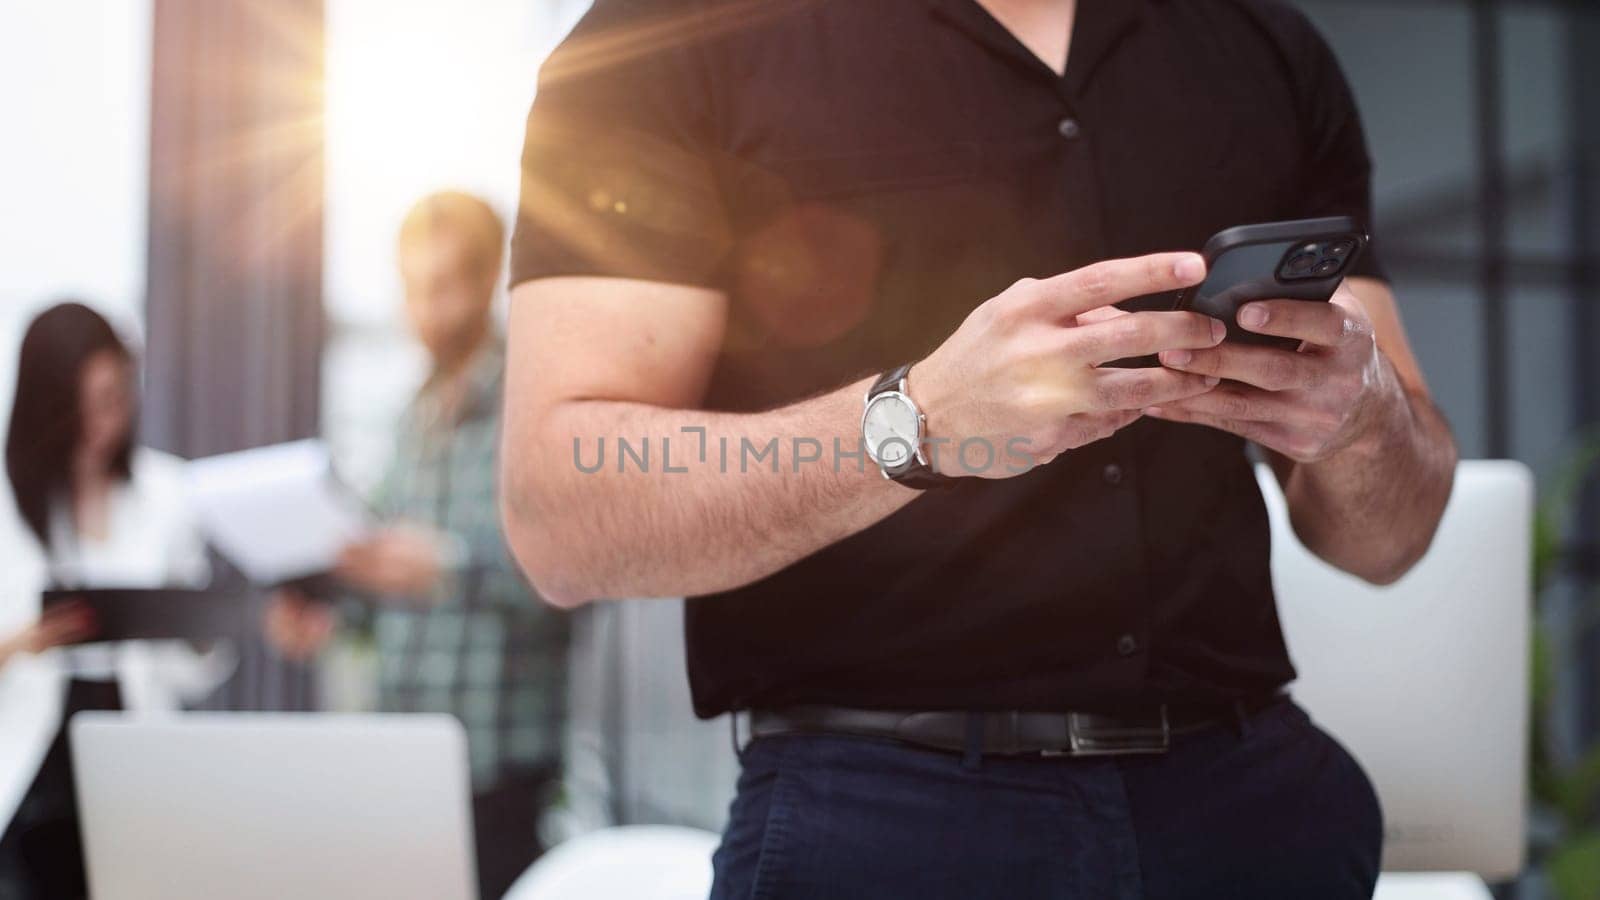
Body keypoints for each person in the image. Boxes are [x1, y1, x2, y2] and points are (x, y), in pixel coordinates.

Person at [500, 0, 1460, 898]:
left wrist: (1365, 416)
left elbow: (1392, 540)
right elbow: (561, 510)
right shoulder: (669, 36)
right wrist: (919, 422)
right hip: (879, 823)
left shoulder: (1264, 46)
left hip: (1255, 806)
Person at [266, 191, 570, 900]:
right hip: (405, 767)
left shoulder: (534, 410)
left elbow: (571, 581)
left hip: (500, 771)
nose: (424, 312)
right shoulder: (411, 419)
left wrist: (448, 568)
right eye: (411, 289)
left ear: (489, 276)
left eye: (441, 287)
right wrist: (334, 608)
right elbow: (382, 576)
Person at [0, 302, 234, 899]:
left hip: (134, 757)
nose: (101, 422)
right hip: (30, 772)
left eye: (114, 397)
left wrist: (195, 625)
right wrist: (19, 643)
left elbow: (193, 670)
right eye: (83, 403)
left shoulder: (169, 494)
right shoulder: (8, 504)